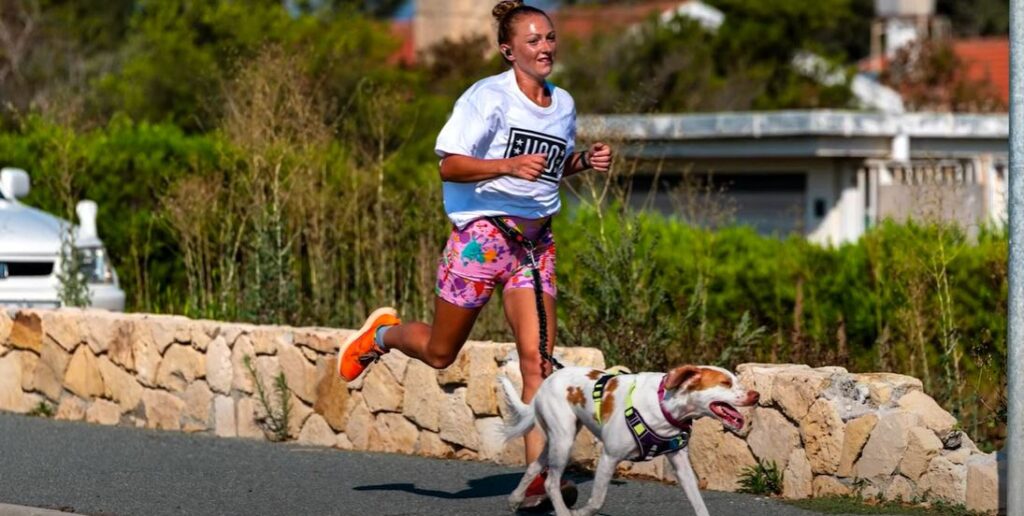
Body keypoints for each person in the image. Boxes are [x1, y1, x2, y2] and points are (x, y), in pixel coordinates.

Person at [337, 0, 612, 510]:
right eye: (533, 40)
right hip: (482, 238)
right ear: (509, 51)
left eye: (549, 37)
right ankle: (382, 334)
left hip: (535, 243)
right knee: (442, 354)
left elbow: (546, 170)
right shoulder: (486, 98)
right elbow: (450, 166)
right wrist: (507, 165)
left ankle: (538, 480)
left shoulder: (565, 104)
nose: (545, 47)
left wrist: (582, 161)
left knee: (539, 361)